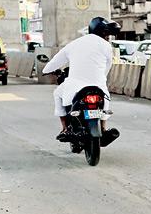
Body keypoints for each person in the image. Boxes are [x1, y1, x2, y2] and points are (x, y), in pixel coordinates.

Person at [43, 16, 119, 144]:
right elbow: (108, 66)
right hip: (98, 86)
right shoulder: (106, 46)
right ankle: (103, 128)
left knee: (57, 93)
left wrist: (45, 70)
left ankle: (65, 128)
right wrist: (101, 78)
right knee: (105, 103)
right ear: (102, 32)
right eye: (106, 33)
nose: (107, 36)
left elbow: (55, 62)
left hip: (74, 88)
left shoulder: (73, 44)